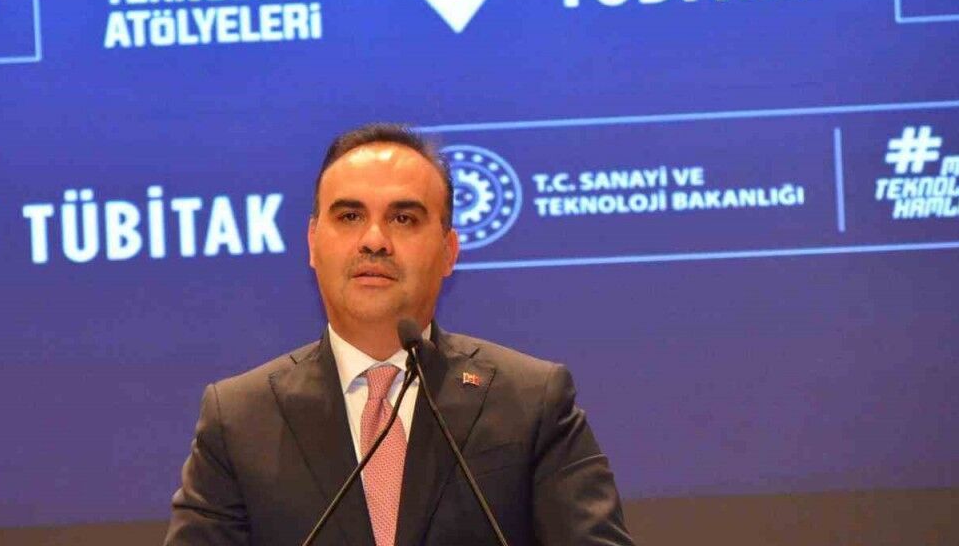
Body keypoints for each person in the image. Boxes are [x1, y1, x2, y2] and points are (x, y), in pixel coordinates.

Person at [164, 123, 633, 546]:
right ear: (312, 243)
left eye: (403, 218)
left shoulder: (530, 402)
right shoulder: (239, 419)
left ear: (448, 251)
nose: (374, 240)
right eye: (350, 216)